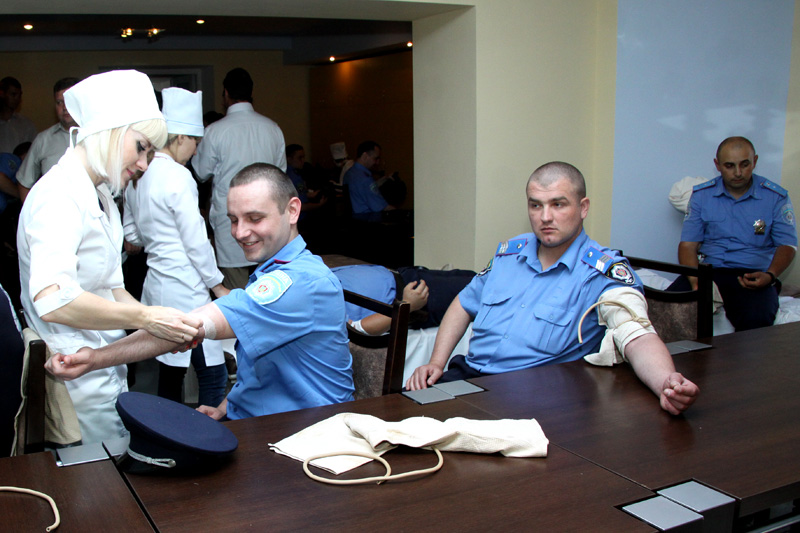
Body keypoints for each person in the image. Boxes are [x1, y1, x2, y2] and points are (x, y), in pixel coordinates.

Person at [46, 163, 355, 421]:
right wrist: (225, 407)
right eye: (233, 220)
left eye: (255, 218)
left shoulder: (299, 282)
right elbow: (265, 365)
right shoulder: (274, 269)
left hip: (306, 432)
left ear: (292, 211)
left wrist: (95, 358)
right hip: (261, 420)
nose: (240, 232)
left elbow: (188, 326)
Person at [407, 161, 699, 415]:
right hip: (467, 378)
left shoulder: (601, 271)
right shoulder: (510, 254)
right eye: (536, 205)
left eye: (558, 204)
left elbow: (635, 334)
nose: (545, 217)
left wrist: (666, 382)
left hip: (533, 394)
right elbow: (464, 302)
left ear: (583, 207)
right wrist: (436, 362)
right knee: (401, 425)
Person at [17, 70, 202, 444]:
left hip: (103, 360)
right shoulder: (58, 195)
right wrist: (147, 317)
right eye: (141, 147)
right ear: (110, 131)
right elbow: (54, 300)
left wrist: (159, 324)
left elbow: (112, 289)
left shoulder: (100, 195)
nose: (144, 164)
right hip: (74, 371)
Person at [123, 87, 230, 408]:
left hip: (157, 284)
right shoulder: (179, 176)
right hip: (187, 286)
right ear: (180, 137)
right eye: (195, 141)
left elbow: (132, 235)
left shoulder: (137, 173)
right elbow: (196, 242)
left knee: (170, 371)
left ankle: (167, 429)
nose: (197, 150)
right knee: (212, 372)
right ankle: (208, 430)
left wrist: (156, 237)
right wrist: (218, 285)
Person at [675, 137, 796, 332]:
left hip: (752, 275)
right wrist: (696, 281)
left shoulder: (775, 197)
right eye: (729, 166)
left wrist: (770, 275)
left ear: (754, 161)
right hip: (709, 273)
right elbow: (688, 245)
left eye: (744, 164)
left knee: (757, 317)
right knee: (667, 307)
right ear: (718, 165)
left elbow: (787, 245)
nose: (738, 173)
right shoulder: (702, 196)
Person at [193, 67, 287, 290]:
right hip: (266, 219)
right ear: (251, 93)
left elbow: (201, 172)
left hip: (232, 222)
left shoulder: (215, 131)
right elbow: (281, 175)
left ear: (225, 93)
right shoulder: (273, 129)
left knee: (236, 291)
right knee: (270, 287)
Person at [332, 264, 476, 335]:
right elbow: (357, 330)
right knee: (480, 291)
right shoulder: (320, 307)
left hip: (403, 275)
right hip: (411, 297)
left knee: (477, 277)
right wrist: (406, 305)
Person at [16, 77, 80, 203]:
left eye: (69, 101)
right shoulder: (43, 140)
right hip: (53, 212)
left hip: (92, 214)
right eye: (59, 102)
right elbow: (24, 183)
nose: (64, 107)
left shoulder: (97, 136)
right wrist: (32, 213)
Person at [343, 140, 394, 216]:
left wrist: (382, 180)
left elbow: (363, 190)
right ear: (365, 156)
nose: (377, 163)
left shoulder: (349, 173)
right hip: (367, 219)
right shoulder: (365, 179)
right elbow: (381, 206)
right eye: (375, 159)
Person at [0, 77, 37, 154]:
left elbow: (34, 153)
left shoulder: (27, 125)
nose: (17, 99)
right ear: (2, 94)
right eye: (13, 94)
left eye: (19, 95)